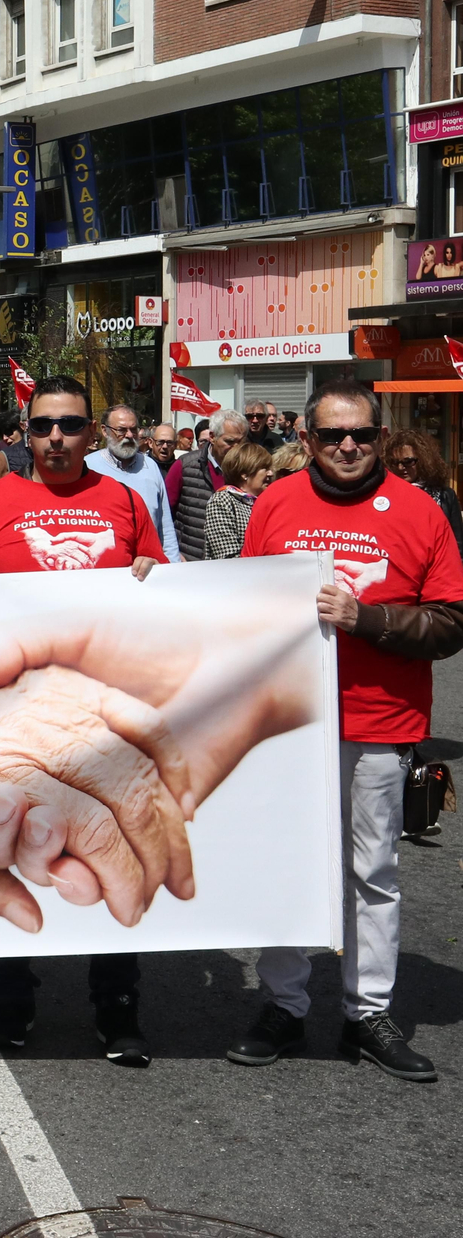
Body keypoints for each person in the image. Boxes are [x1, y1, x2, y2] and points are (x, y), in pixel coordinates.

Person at [227, 379, 463, 1082]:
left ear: (381, 434)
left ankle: (368, 1013)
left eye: (361, 433)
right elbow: (245, 605)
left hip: (379, 722)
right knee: (288, 864)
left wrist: (370, 620)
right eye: (333, 435)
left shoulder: (421, 512)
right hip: (289, 724)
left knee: (373, 875)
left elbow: (452, 621)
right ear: (307, 439)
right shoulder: (275, 503)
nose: (349, 446)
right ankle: (285, 1005)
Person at [0, 376, 168, 1067]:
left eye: (70, 426)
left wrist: (151, 571)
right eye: (43, 427)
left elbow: (165, 587)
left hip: (104, 721)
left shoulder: (125, 501)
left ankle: (117, 1006)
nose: (57, 439)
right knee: (8, 854)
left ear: (92, 434)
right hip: (15, 722)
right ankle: (13, 999)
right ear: (26, 433)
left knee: (113, 851)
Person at [85, 405, 183, 564]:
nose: (129, 435)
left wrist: (172, 566)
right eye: (122, 430)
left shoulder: (150, 467)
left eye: (134, 429)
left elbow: (165, 528)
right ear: (104, 431)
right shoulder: (88, 467)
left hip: (149, 572)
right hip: (104, 572)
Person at [168, 407, 247, 560]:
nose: (236, 448)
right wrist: (173, 554)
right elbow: (163, 516)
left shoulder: (251, 471)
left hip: (234, 564)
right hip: (190, 561)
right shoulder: (185, 466)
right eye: (230, 441)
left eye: (241, 442)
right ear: (212, 436)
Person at [387, 429, 463, 557]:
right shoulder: (385, 496)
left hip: (438, 568)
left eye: (408, 461)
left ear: (423, 460)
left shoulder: (445, 496)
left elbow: (457, 545)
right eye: (395, 462)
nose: (401, 468)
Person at [201, 441, 270, 560]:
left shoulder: (268, 501)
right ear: (245, 474)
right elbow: (227, 556)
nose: (270, 473)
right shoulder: (222, 501)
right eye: (265, 468)